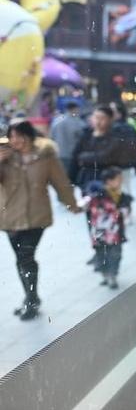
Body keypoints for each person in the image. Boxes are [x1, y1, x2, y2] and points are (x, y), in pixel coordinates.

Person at [0, 119, 82, 320]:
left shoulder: (46, 156)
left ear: (29, 135)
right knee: (21, 259)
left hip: (36, 217)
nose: (15, 140)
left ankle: (31, 300)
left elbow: (61, 183)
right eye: (12, 136)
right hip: (10, 217)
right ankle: (31, 297)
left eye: (19, 135)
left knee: (25, 257)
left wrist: (72, 204)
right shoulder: (6, 156)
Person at [86, 167, 132, 290]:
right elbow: (91, 210)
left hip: (116, 232)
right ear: (109, 181)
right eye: (118, 179)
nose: (121, 181)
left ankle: (112, 275)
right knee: (102, 255)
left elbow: (126, 211)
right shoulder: (98, 195)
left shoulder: (122, 196)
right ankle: (105, 274)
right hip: (101, 233)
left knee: (115, 254)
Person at [73, 105, 119, 192]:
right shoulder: (86, 135)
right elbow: (76, 155)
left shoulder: (114, 136)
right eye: (96, 117)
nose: (98, 121)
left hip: (107, 179)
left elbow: (105, 157)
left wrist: (84, 157)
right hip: (86, 178)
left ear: (110, 119)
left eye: (102, 118)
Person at [49, 100, 86, 183]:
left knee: (60, 178)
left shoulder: (57, 120)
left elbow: (51, 137)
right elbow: (83, 137)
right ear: (75, 109)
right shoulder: (77, 122)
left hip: (58, 153)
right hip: (71, 154)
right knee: (70, 179)